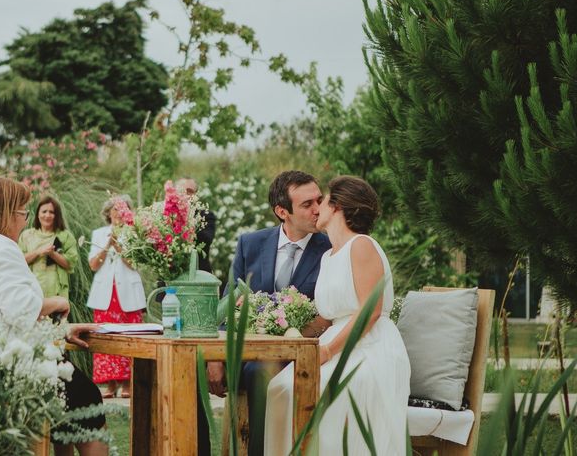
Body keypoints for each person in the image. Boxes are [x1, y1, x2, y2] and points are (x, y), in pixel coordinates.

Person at [0, 176, 108, 456]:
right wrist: (57, 301)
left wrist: (60, 331)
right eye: (24, 213)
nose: (25, 221)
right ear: (5, 213)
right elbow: (21, 311)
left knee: (70, 390)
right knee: (88, 398)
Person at [263, 175, 410, 455]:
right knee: (279, 387)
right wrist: (276, 327)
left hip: (368, 348)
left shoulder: (362, 245)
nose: (318, 208)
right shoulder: (328, 256)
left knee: (318, 393)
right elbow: (326, 318)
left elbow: (371, 311)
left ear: (339, 207)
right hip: (334, 341)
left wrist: (328, 351)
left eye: (324, 200)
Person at [203, 170, 332, 456]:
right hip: (243, 353)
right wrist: (215, 356)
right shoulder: (250, 244)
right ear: (282, 211)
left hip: (297, 358)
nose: (318, 209)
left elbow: (328, 315)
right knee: (191, 368)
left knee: (263, 372)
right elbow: (228, 306)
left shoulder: (330, 249)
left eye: (319, 200)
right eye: (307, 204)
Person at [86, 195, 146, 399]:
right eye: (115, 209)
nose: (118, 213)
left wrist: (119, 245)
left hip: (128, 293)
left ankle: (127, 382)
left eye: (123, 209)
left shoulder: (135, 233)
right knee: (106, 337)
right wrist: (107, 245)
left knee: (129, 336)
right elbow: (93, 265)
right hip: (105, 293)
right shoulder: (98, 233)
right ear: (108, 213)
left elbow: (135, 264)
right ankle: (110, 384)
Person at [18, 195, 80, 299]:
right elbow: (19, 261)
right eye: (44, 211)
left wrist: (52, 254)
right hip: (31, 291)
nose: (47, 215)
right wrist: (38, 252)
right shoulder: (27, 235)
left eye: (51, 212)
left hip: (57, 292)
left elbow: (70, 264)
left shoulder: (65, 236)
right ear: (38, 214)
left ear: (57, 215)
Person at [174, 177, 217, 272]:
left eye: (190, 191)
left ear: (196, 195)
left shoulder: (206, 216)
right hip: (170, 276)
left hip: (199, 274)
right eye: (182, 191)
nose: (186, 195)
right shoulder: (166, 215)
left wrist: (187, 219)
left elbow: (206, 239)